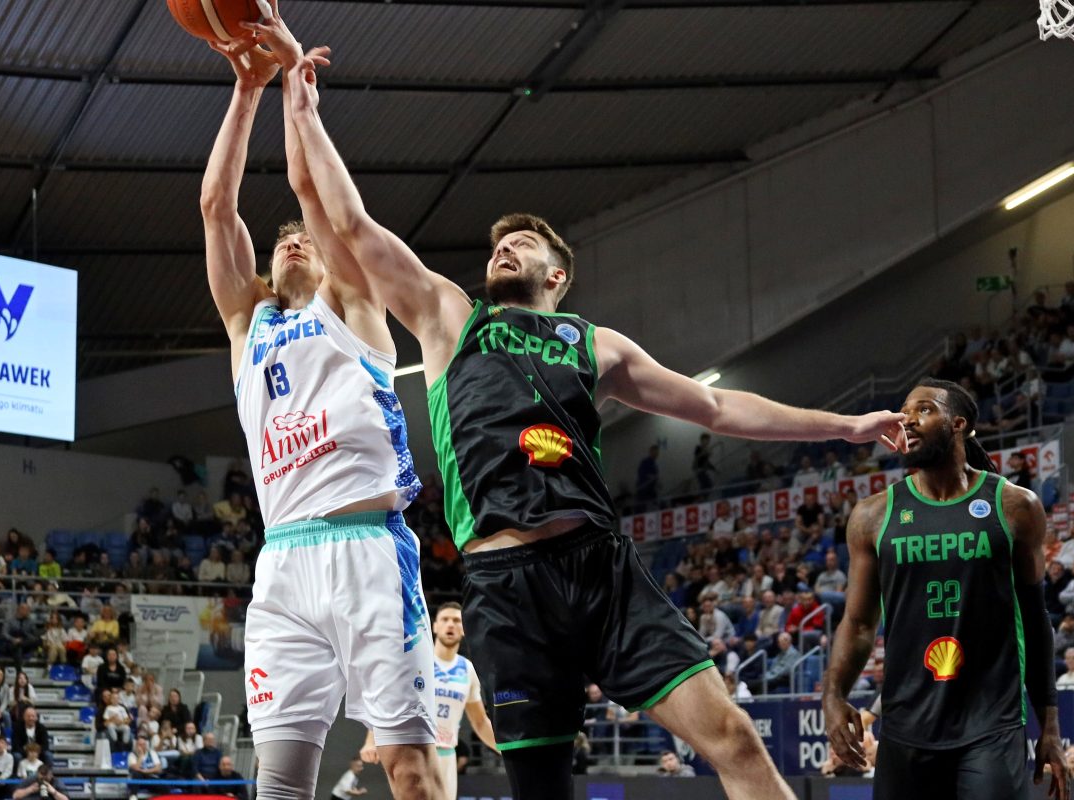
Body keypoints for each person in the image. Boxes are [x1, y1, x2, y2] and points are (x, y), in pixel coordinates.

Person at [262, 10, 907, 797]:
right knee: (544, 788)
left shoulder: (594, 344)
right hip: (505, 584)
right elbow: (348, 222)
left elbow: (717, 410)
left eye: (523, 243)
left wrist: (847, 425)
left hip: (601, 571)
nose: (504, 247)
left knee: (735, 737)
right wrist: (301, 105)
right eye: (499, 243)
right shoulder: (449, 318)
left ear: (557, 275)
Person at [200, 15, 438, 800]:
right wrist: (246, 89)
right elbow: (215, 206)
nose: (293, 242)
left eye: (301, 238)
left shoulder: (350, 301)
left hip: (368, 550)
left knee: (409, 768)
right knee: (280, 780)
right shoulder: (249, 326)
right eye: (282, 243)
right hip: (283, 563)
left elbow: (320, 201)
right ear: (266, 271)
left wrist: (295, 88)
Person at [823, 379, 1067, 800]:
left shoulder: (1015, 506)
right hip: (906, 725)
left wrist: (1049, 725)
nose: (907, 420)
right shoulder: (872, 516)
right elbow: (859, 623)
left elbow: (1034, 617)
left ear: (959, 424)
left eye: (923, 409)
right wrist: (833, 695)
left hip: (992, 722)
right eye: (904, 411)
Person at [360, 602, 497, 799]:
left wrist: (504, 748)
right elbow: (389, 703)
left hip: (448, 754)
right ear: (435, 626)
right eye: (445, 620)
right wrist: (370, 741)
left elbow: (480, 721)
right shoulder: (419, 660)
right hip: (416, 751)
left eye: (456, 621)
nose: (450, 624)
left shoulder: (467, 669)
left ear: (464, 629)